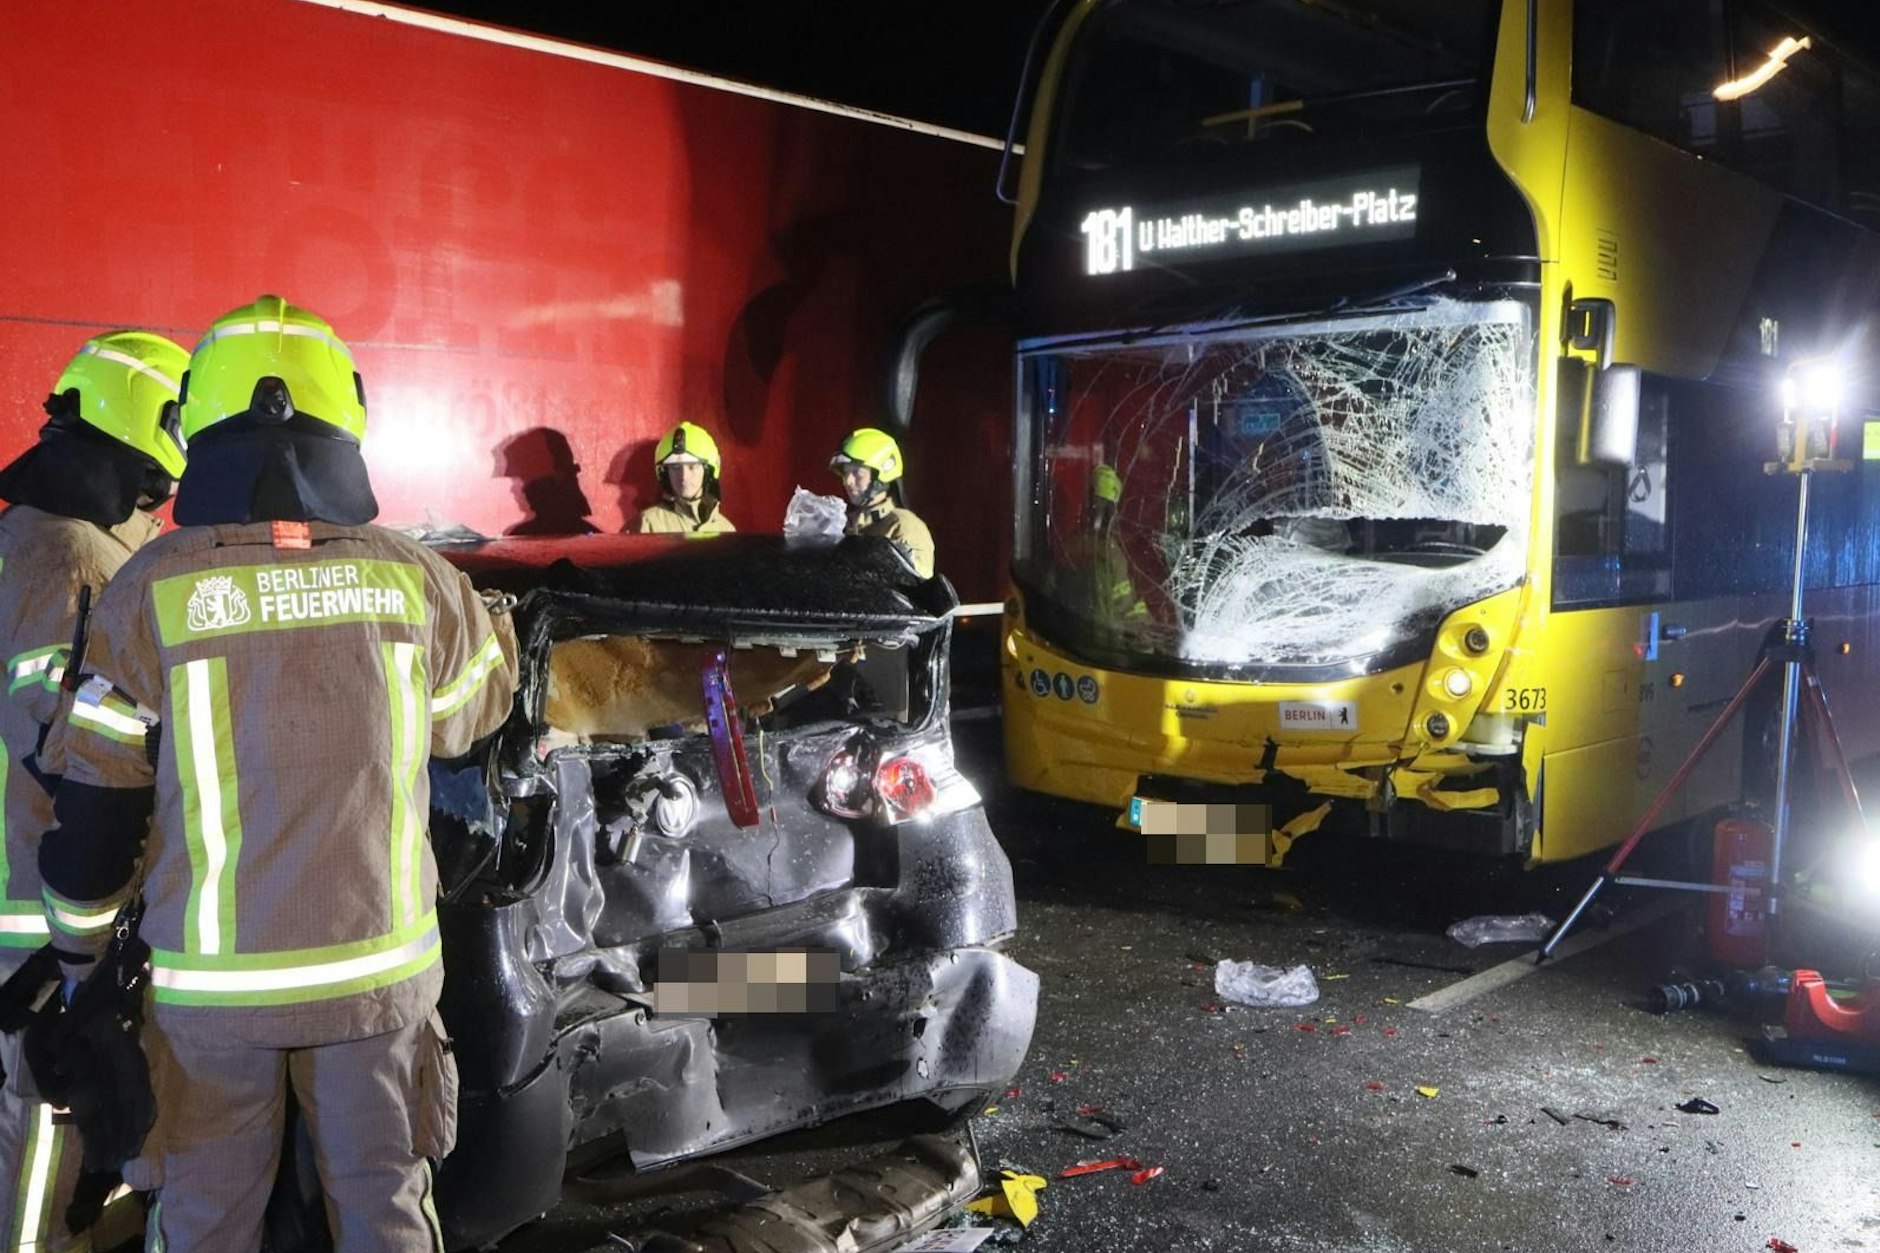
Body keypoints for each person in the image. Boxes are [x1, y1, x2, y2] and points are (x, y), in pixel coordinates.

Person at [36, 296, 517, 1251]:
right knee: (386, 1213)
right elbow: (477, 715)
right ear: (348, 413)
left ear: (196, 421)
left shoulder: (147, 588)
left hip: (209, 1003)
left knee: (206, 1224)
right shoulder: (418, 578)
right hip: (380, 986)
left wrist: (83, 968)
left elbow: (92, 824)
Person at [0, 331, 188, 1252]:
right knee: (52, 1126)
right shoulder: (80, 564)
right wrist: (84, 948)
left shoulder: (24, 535)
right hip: (39, 920)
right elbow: (72, 764)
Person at [829, 427, 933, 577]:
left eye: (857, 472)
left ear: (883, 472)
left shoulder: (905, 526)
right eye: (846, 472)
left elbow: (916, 585)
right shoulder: (845, 524)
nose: (847, 481)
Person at [634, 421, 735, 533]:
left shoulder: (726, 529)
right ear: (665, 474)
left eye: (692, 466)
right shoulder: (648, 524)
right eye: (675, 467)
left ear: (708, 471)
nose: (684, 476)